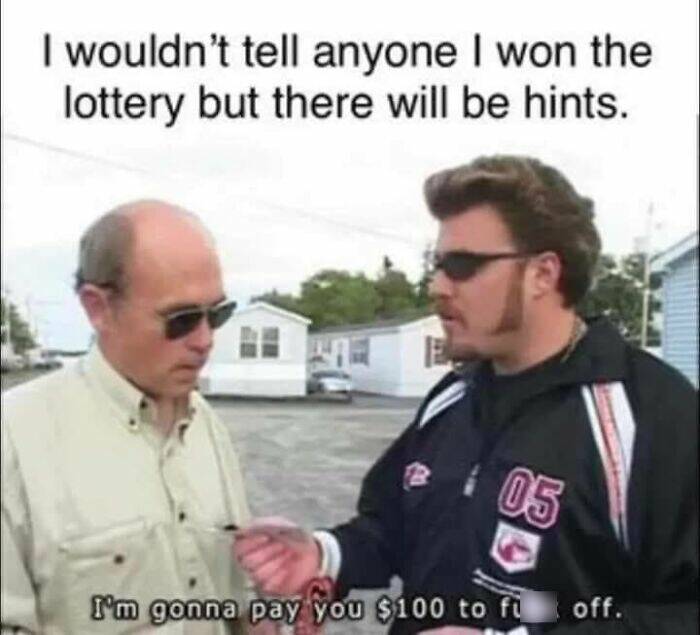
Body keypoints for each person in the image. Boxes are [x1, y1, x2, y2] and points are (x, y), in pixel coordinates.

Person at [234, 156, 699, 634]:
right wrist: (323, 556)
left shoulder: (652, 417)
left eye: (462, 266)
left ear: (543, 273)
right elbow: (388, 529)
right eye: (437, 266)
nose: (437, 287)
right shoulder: (453, 397)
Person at [1, 201, 263, 633]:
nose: (205, 340)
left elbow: (235, 597)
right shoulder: (15, 439)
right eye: (181, 320)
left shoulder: (206, 424)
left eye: (217, 314)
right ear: (98, 308)